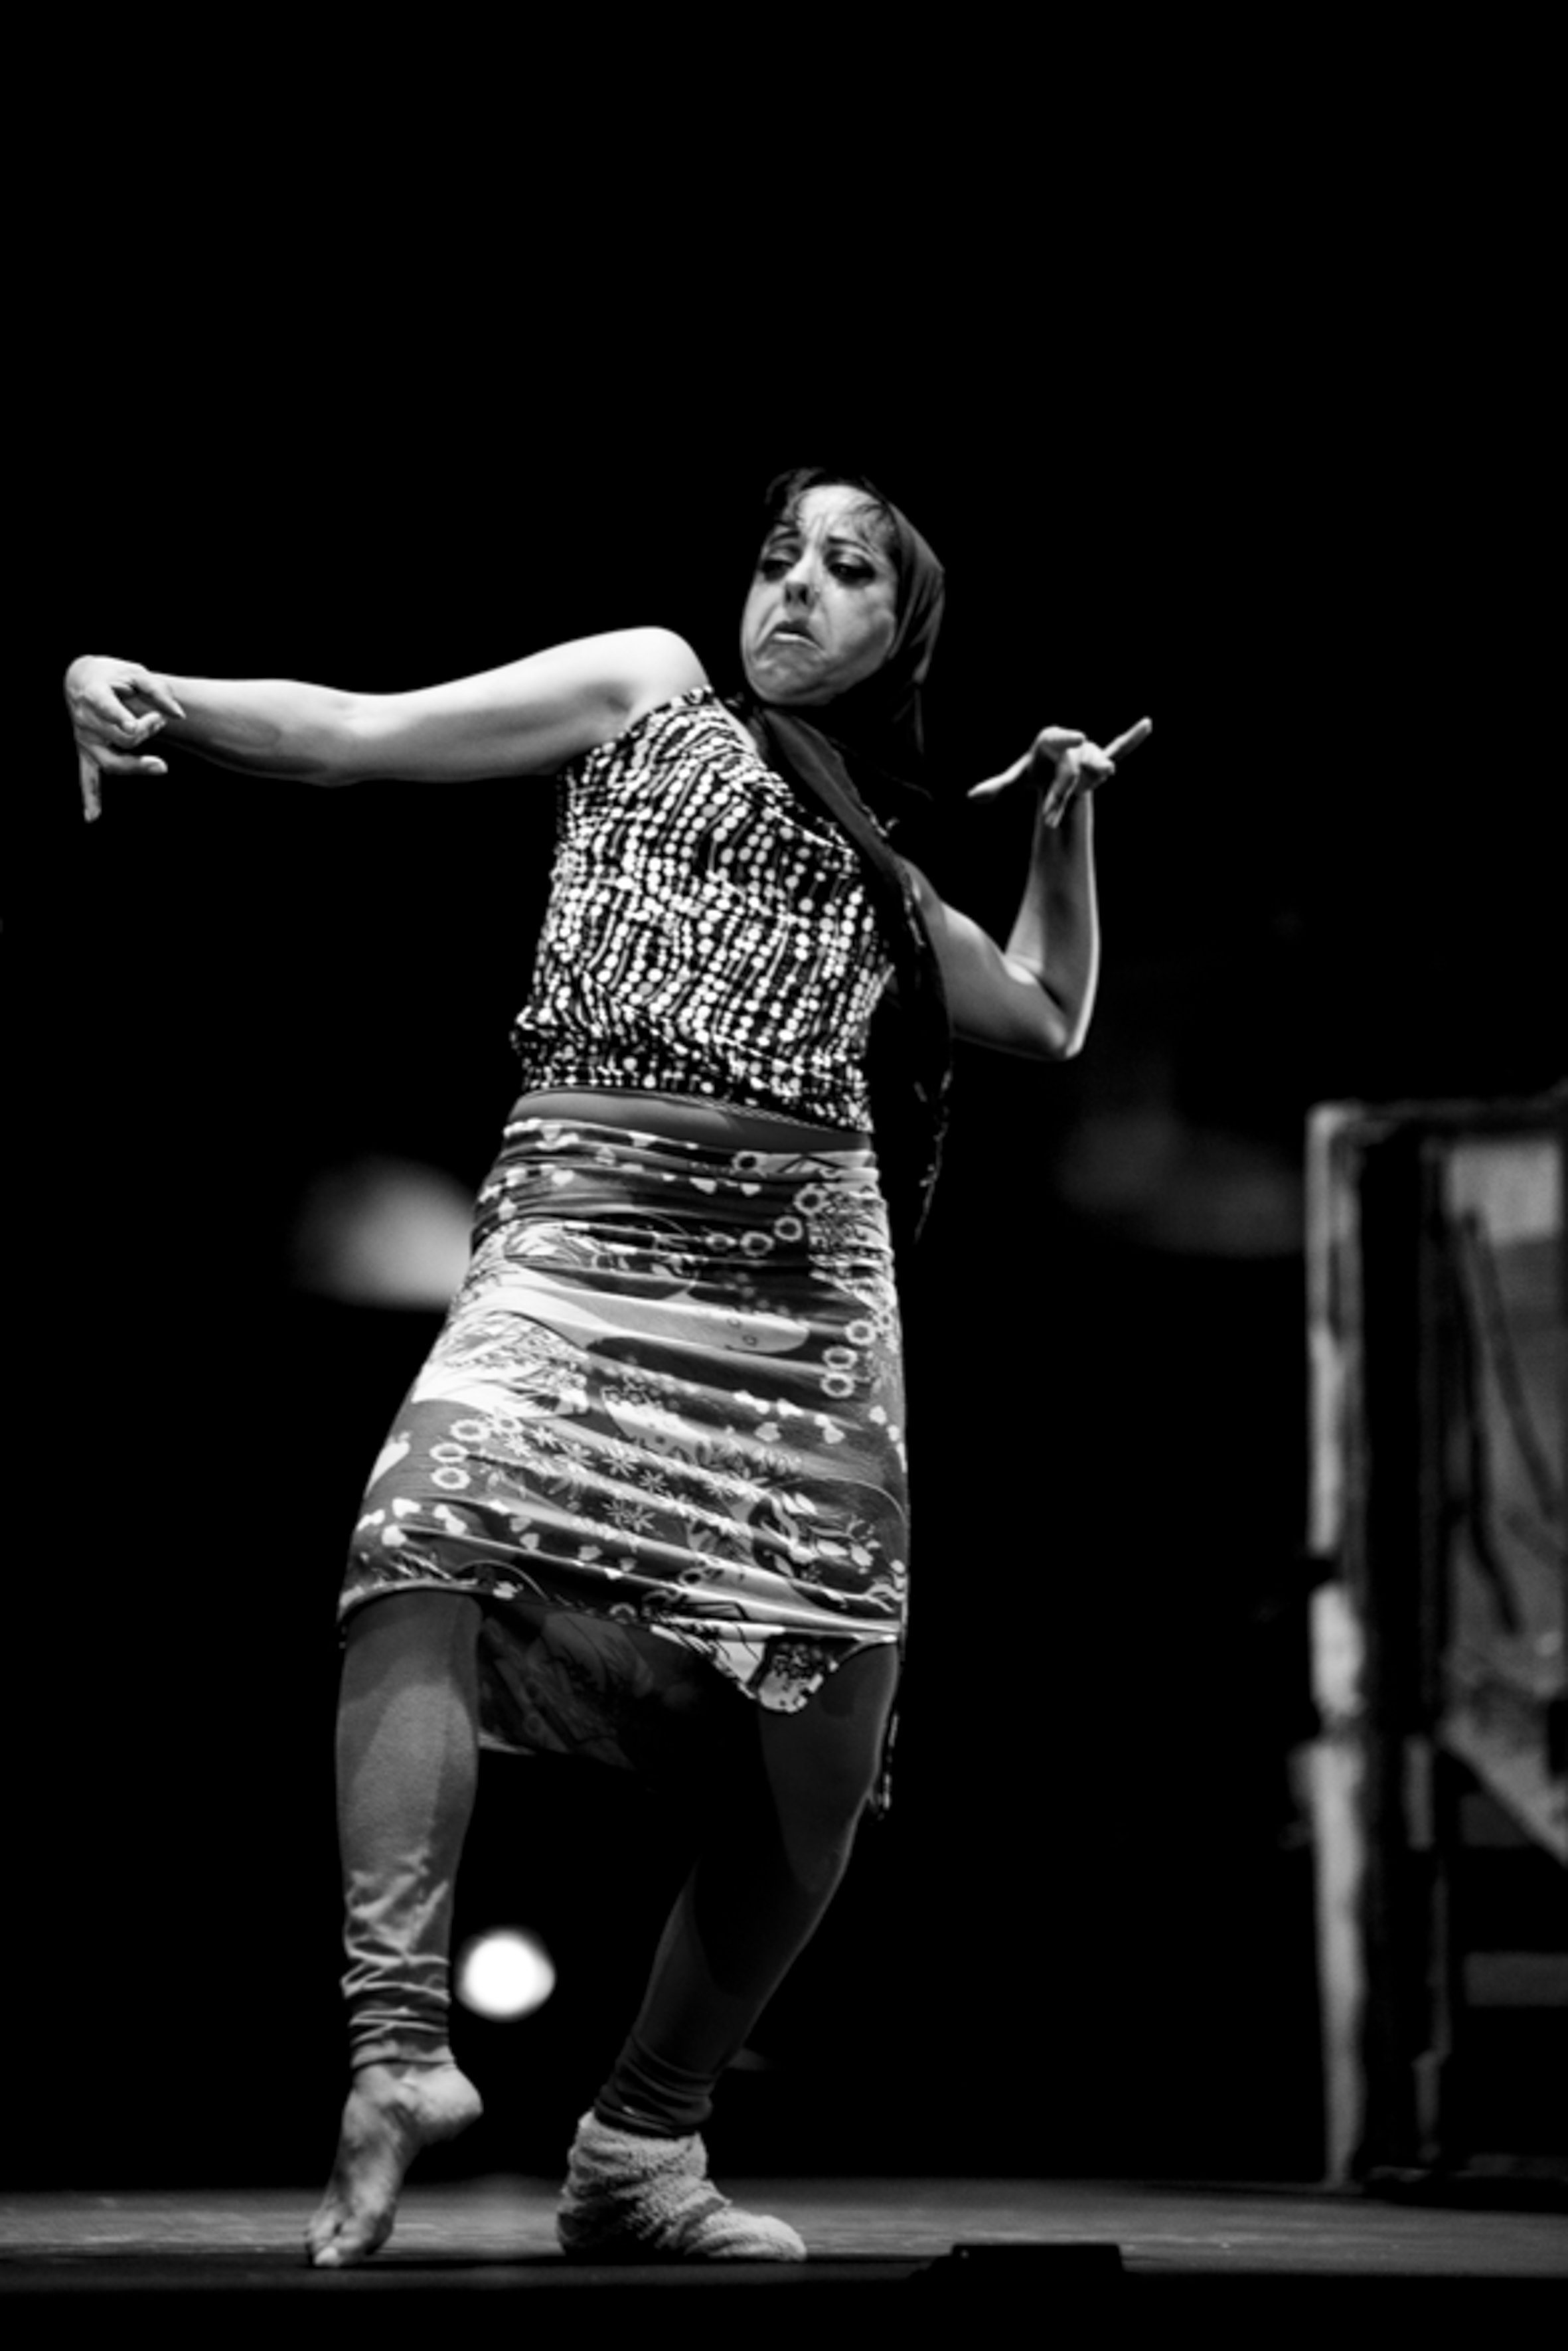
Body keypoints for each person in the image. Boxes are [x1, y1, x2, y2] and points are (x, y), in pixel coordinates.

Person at [65, 467, 1149, 2266]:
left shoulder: (875, 878)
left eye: (846, 571)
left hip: (802, 1293)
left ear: (903, 631)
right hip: (582, 1227)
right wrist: (150, 685)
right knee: (420, 1530)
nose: (793, 590)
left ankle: (641, 2146)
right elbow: (359, 733)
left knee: (824, 1735)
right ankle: (397, 2051)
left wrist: (1063, 822)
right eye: (776, 556)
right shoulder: (647, 692)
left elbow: (1043, 1014)